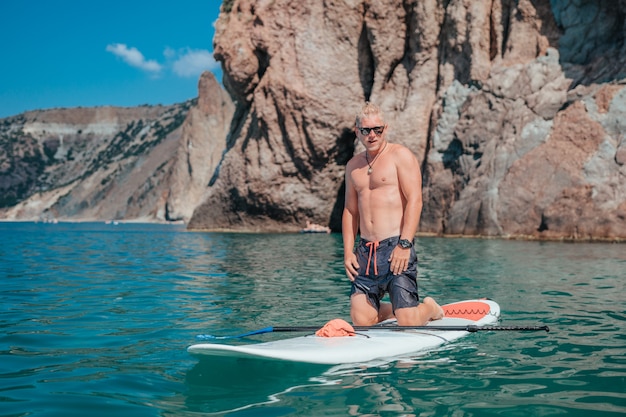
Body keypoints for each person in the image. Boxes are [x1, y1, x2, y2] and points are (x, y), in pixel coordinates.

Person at [342, 102, 444, 326]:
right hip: (366, 252)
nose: (372, 135)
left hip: (395, 246)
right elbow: (350, 210)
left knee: (408, 322)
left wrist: (404, 245)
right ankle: (395, 309)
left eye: (377, 129)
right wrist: (348, 252)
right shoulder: (353, 166)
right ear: (357, 131)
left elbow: (415, 201)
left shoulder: (400, 156)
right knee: (361, 319)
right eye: (366, 130)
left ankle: (428, 308)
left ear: (385, 128)